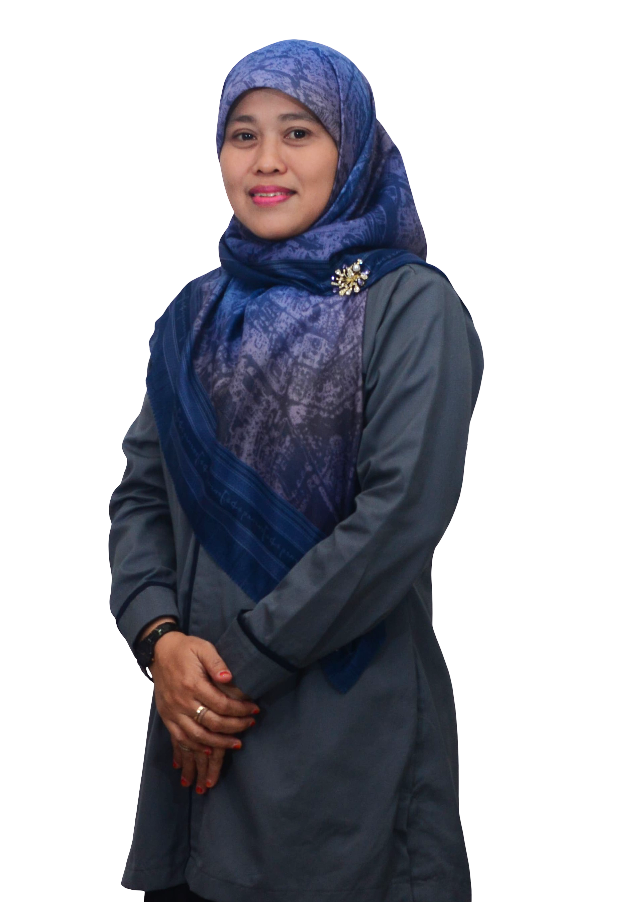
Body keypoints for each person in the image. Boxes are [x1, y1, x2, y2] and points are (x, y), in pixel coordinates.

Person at [109, 39, 484, 902]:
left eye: (299, 132)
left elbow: (398, 515)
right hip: (196, 725)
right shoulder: (194, 314)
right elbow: (142, 494)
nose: (267, 160)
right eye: (242, 135)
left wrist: (227, 675)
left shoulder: (409, 305)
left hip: (341, 729)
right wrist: (160, 641)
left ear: (351, 151)